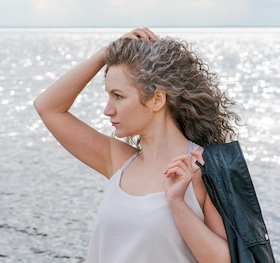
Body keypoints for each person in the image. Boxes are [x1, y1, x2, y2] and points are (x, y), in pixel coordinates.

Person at [34, 28, 241, 262]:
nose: (107, 109)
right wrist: (105, 54)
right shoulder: (119, 161)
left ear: (157, 99)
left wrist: (177, 204)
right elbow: (48, 107)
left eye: (118, 96)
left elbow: (225, 260)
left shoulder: (204, 167)